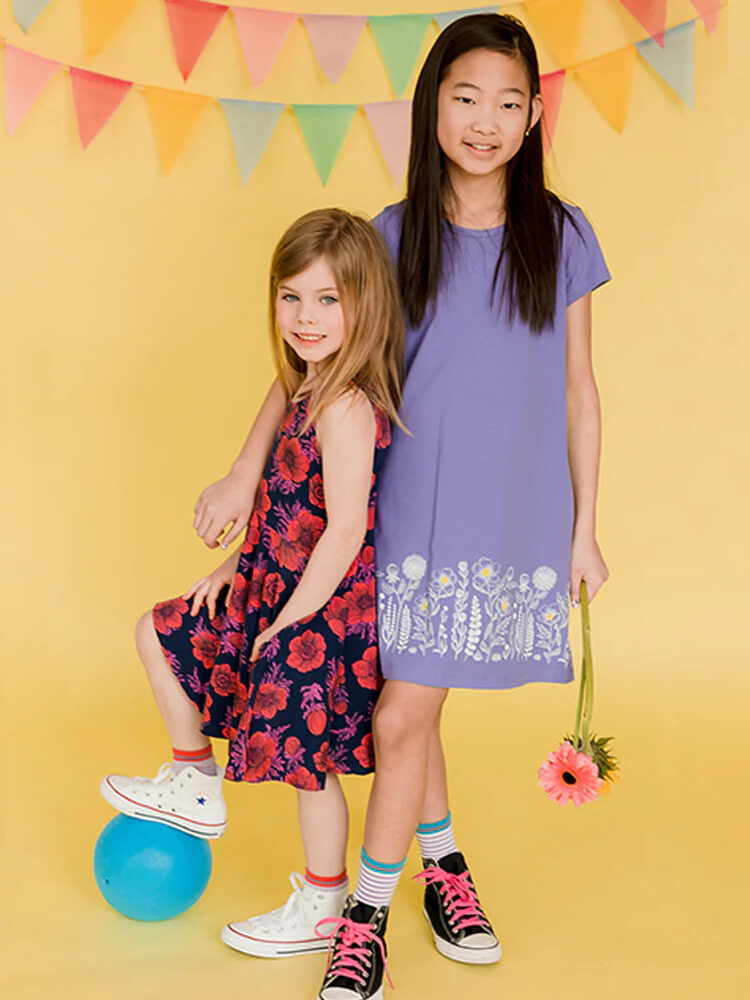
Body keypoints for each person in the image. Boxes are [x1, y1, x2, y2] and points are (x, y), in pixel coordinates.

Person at [193, 14, 612, 998]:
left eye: (510, 102)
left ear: (535, 115)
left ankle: (415, 881)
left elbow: (578, 389)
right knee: (404, 714)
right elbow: (314, 365)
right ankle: (395, 901)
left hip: (506, 516)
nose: (486, 120)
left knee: (405, 711)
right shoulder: (390, 234)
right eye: (466, 97)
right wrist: (244, 471)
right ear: (432, 107)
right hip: (398, 518)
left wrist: (586, 526)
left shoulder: (561, 233)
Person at [99, 208, 404, 960]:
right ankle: (195, 776)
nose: (305, 316)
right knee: (161, 630)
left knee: (309, 769)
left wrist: (292, 623)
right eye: (291, 296)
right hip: (271, 587)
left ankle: (325, 903)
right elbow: (287, 506)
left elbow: (342, 528)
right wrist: (236, 568)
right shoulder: (306, 385)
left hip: (321, 616)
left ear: (366, 304)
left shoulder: (346, 406)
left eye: (328, 300)